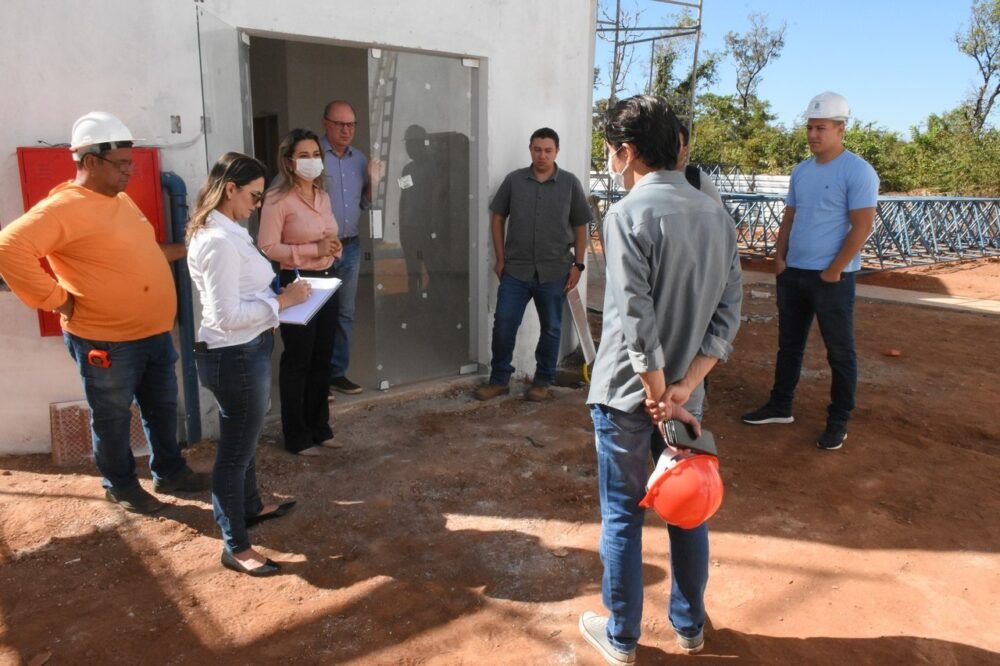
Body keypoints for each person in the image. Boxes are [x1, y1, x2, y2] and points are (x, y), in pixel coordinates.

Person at [580, 95, 742, 663]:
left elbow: (633, 317)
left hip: (630, 397)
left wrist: (656, 394)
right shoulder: (717, 215)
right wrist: (683, 387)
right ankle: (689, 625)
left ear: (626, 152)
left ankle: (622, 637)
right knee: (686, 509)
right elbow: (729, 312)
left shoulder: (627, 215)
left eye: (611, 149)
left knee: (623, 515)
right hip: (685, 400)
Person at [0, 111, 209, 514]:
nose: (130, 172)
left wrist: (186, 248)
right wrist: (56, 299)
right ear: (90, 161)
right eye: (122, 164)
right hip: (108, 339)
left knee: (162, 407)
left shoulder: (120, 200)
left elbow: (143, 253)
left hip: (152, 333)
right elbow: (9, 248)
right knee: (113, 416)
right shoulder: (65, 207)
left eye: (131, 162)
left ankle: (170, 471)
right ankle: (121, 486)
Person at [187, 152, 310, 576]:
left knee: (246, 436)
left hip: (246, 349)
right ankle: (235, 545)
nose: (258, 205)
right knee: (235, 453)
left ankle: (253, 506)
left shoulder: (229, 230)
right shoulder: (218, 241)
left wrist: (274, 305)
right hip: (233, 354)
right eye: (254, 196)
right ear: (230, 188)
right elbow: (225, 317)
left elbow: (242, 298)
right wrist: (281, 303)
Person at [741, 91, 878, 451]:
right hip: (794, 274)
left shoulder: (858, 171)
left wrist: (834, 270)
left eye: (821, 128)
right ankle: (780, 405)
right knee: (789, 346)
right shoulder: (801, 171)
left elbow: (862, 226)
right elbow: (790, 217)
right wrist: (779, 259)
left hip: (831, 280)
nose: (813, 134)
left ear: (840, 129)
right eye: (810, 127)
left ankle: (838, 421)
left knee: (840, 352)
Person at [473, 127, 591, 402]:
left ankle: (542, 380)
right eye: (537, 149)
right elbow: (498, 217)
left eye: (548, 150)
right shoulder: (514, 181)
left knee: (551, 328)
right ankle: (499, 379)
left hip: (555, 270)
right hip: (516, 270)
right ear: (530, 149)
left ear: (556, 151)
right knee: (503, 323)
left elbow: (580, 226)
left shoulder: (570, 183)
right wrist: (500, 259)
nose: (542, 155)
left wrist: (579, 265)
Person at [259, 129, 343, 456]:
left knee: (323, 357)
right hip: (297, 282)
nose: (312, 161)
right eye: (304, 156)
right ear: (290, 162)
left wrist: (333, 249)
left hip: (327, 280)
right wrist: (312, 249)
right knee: (298, 359)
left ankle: (320, 428)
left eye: (316, 155)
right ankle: (296, 436)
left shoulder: (323, 196)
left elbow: (331, 234)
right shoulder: (278, 199)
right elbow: (268, 247)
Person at [320, 100, 382, 395]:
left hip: (351, 246)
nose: (346, 130)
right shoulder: (312, 157)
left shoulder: (360, 159)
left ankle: (336, 373)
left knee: (345, 313)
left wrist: (373, 181)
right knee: (318, 315)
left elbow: (366, 204)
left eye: (351, 124)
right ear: (325, 124)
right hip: (317, 249)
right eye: (339, 123)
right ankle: (316, 381)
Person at [677, 124, 724, 206]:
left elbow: (718, 215)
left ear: (685, 149)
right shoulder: (650, 174)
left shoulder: (698, 179)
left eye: (675, 144)